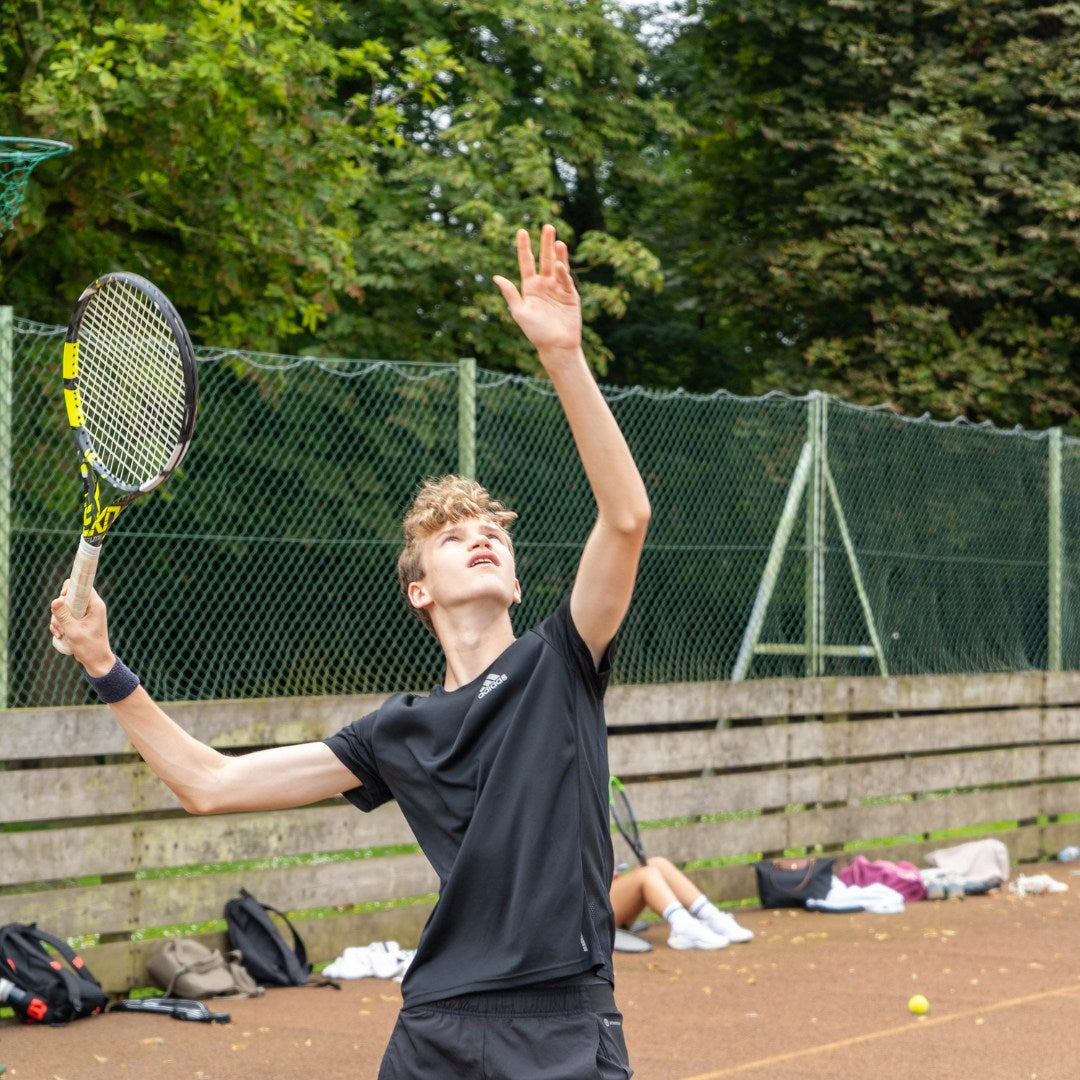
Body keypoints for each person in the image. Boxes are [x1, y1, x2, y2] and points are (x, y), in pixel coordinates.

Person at [50, 224, 651, 1080]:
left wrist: (564, 358)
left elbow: (625, 518)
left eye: (493, 536)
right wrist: (104, 666)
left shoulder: (562, 662)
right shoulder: (394, 733)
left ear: (517, 583)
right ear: (418, 589)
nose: (480, 540)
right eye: (454, 538)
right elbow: (209, 784)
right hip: (435, 1025)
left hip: (560, 1022)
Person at [610, 856, 754, 950]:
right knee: (646, 875)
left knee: (656, 864)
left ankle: (712, 917)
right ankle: (683, 927)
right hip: (590, 920)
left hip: (602, 902)